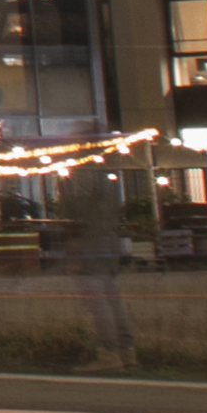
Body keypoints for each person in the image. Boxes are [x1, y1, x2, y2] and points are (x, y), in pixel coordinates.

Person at [57, 146, 138, 368]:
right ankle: (127, 351)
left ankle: (109, 354)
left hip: (89, 246)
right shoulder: (107, 173)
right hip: (109, 244)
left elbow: (77, 217)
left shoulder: (80, 175)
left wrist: (73, 251)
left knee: (98, 303)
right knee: (112, 300)